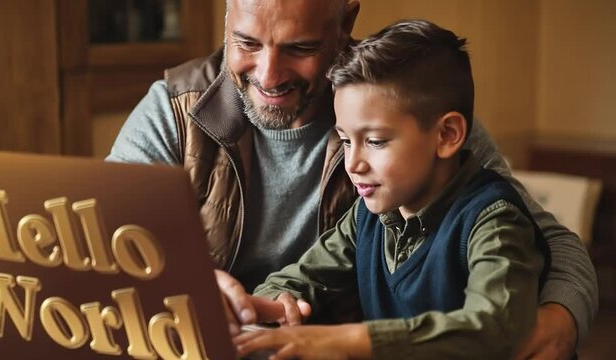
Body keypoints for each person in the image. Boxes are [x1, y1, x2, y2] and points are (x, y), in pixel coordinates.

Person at [106, 0, 597, 358]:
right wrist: (233, 302)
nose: (270, 75)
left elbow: (548, 242)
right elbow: (97, 260)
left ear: (346, 24)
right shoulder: (172, 110)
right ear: (226, 19)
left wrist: (561, 321)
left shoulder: (406, 99)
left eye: (300, 46)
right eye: (247, 43)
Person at [232, 18, 548, 359]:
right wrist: (275, 300)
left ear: (447, 135)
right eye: (345, 141)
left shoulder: (495, 222)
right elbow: (301, 277)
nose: (353, 164)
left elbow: (493, 328)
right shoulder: (366, 217)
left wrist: (351, 340)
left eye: (375, 141)